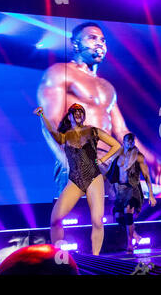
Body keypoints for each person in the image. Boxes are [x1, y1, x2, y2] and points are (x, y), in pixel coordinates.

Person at [37, 22, 161, 195]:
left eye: (103, 40)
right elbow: (49, 124)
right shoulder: (60, 73)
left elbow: (122, 131)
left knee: (155, 197)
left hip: (110, 163)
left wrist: (152, 160)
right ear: (75, 44)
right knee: (87, 220)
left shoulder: (106, 87)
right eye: (92, 38)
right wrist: (69, 162)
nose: (100, 43)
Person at [34, 104, 121, 255]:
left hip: (93, 177)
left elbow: (116, 145)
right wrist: (42, 117)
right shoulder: (66, 136)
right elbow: (51, 131)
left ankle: (95, 257)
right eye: (76, 112)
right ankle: (58, 256)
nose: (79, 114)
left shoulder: (93, 131)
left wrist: (103, 160)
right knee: (55, 220)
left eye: (81, 112)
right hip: (75, 180)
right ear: (69, 116)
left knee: (97, 221)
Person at [106, 133, 157, 253]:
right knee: (118, 216)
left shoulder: (138, 157)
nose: (130, 143)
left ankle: (129, 244)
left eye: (132, 141)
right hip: (121, 191)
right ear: (123, 142)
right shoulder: (118, 156)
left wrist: (151, 195)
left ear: (134, 142)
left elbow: (147, 176)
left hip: (133, 189)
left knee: (128, 212)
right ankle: (135, 235)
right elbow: (110, 173)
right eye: (127, 141)